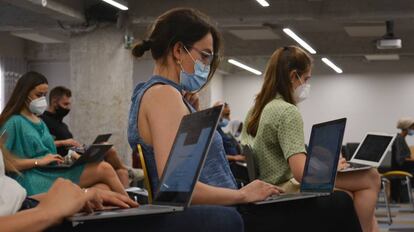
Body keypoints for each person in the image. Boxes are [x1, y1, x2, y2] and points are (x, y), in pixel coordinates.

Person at [128, 7, 362, 232]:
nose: (206, 65)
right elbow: (177, 189)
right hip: (228, 208)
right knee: (338, 204)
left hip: (228, 204)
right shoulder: (163, 95)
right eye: (205, 56)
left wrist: (192, 116)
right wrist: (242, 194)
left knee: (333, 203)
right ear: (178, 50)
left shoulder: (154, 93)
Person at [241, 45, 381, 232]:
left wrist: (326, 165)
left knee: (351, 195)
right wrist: (329, 168)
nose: (307, 85)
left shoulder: (258, 108)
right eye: (306, 79)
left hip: (269, 186)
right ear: (293, 77)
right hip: (283, 189)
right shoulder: (287, 111)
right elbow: (301, 173)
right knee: (371, 177)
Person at [0, 140, 245, 232]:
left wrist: (76, 196)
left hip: (30, 206)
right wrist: (47, 211)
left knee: (106, 188)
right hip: (32, 218)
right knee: (223, 220)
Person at [0, 71, 127, 196]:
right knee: (104, 169)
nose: (42, 99)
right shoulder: (13, 122)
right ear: (24, 94)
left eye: (45, 95)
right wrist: (38, 161)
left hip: (49, 172)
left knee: (102, 187)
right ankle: (133, 208)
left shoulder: (39, 121)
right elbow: (3, 163)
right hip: (33, 178)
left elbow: (48, 153)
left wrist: (67, 159)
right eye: (38, 95)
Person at [40, 86, 132, 187]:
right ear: (54, 102)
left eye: (69, 104)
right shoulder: (43, 121)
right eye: (65, 104)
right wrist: (64, 142)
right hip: (65, 162)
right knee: (111, 156)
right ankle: (126, 170)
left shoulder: (63, 125)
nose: (68, 108)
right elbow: (42, 144)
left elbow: (70, 145)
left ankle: (125, 173)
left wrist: (79, 146)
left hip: (75, 154)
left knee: (111, 153)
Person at [390, 117, 414, 202]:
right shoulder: (399, 139)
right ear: (407, 127)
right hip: (399, 167)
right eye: (412, 127)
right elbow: (400, 159)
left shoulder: (401, 138)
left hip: (402, 166)